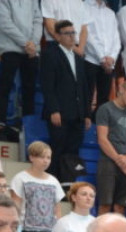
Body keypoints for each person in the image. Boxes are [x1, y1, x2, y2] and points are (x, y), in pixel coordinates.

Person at [40, 19, 92, 183]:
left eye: (73, 33)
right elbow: (48, 85)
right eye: (67, 33)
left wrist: (87, 114)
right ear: (57, 36)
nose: (71, 36)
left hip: (77, 114)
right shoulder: (50, 54)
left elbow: (84, 87)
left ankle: (69, 185)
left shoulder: (78, 57)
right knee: (57, 149)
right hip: (60, 113)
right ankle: (52, 183)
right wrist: (54, 110)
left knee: (73, 152)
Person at [10, 141, 64, 232]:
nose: (46, 161)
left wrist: (58, 230)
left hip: (49, 231)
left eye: (48, 157)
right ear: (32, 157)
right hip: (28, 230)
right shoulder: (21, 178)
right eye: (42, 157)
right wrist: (16, 231)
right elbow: (15, 207)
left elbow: (57, 209)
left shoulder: (53, 181)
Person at [0, 0, 42, 130]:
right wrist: (26, 43)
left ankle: (28, 126)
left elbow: (38, 20)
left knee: (30, 90)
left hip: (31, 50)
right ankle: (0, 123)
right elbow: (5, 24)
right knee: (5, 86)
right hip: (10, 48)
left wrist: (33, 43)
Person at [95, 79, 126, 215]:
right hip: (108, 163)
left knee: (121, 207)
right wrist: (120, 161)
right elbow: (102, 139)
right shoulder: (105, 109)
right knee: (105, 204)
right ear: (121, 89)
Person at [82, 0, 121, 119]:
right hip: (90, 59)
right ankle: (85, 123)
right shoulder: (84, 7)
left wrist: (112, 57)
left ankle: (99, 124)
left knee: (103, 99)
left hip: (109, 62)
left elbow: (116, 38)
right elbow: (87, 36)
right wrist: (102, 58)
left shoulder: (110, 13)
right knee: (86, 96)